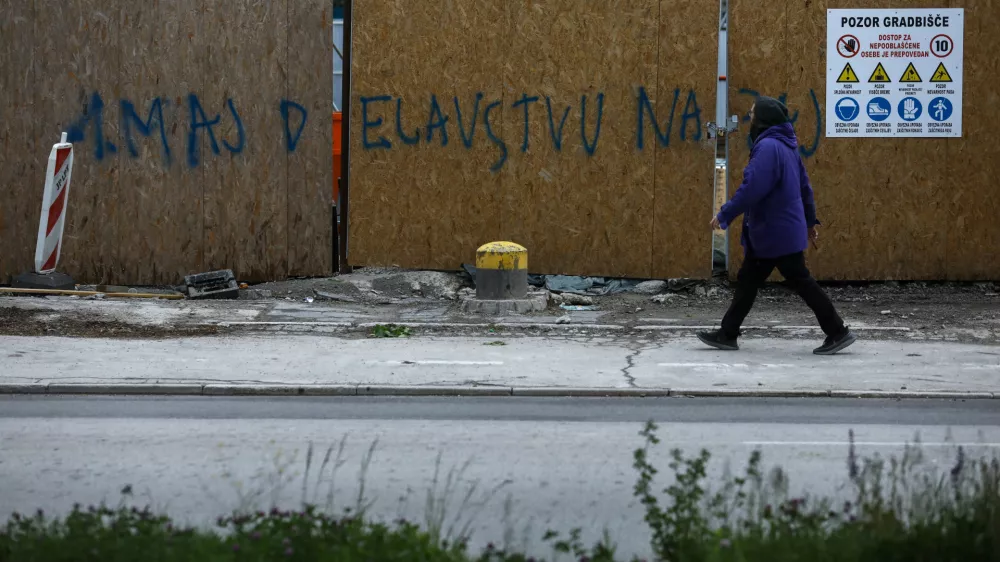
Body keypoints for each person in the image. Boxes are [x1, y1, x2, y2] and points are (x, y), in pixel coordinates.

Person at [699, 96, 856, 355]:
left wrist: (725, 213)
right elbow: (805, 187)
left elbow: (753, 188)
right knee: (750, 279)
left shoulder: (769, 148)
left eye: (752, 115)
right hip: (778, 231)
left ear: (764, 120)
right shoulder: (787, 146)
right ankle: (727, 334)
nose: (750, 120)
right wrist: (808, 221)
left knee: (799, 281)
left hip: (774, 233)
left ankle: (838, 331)